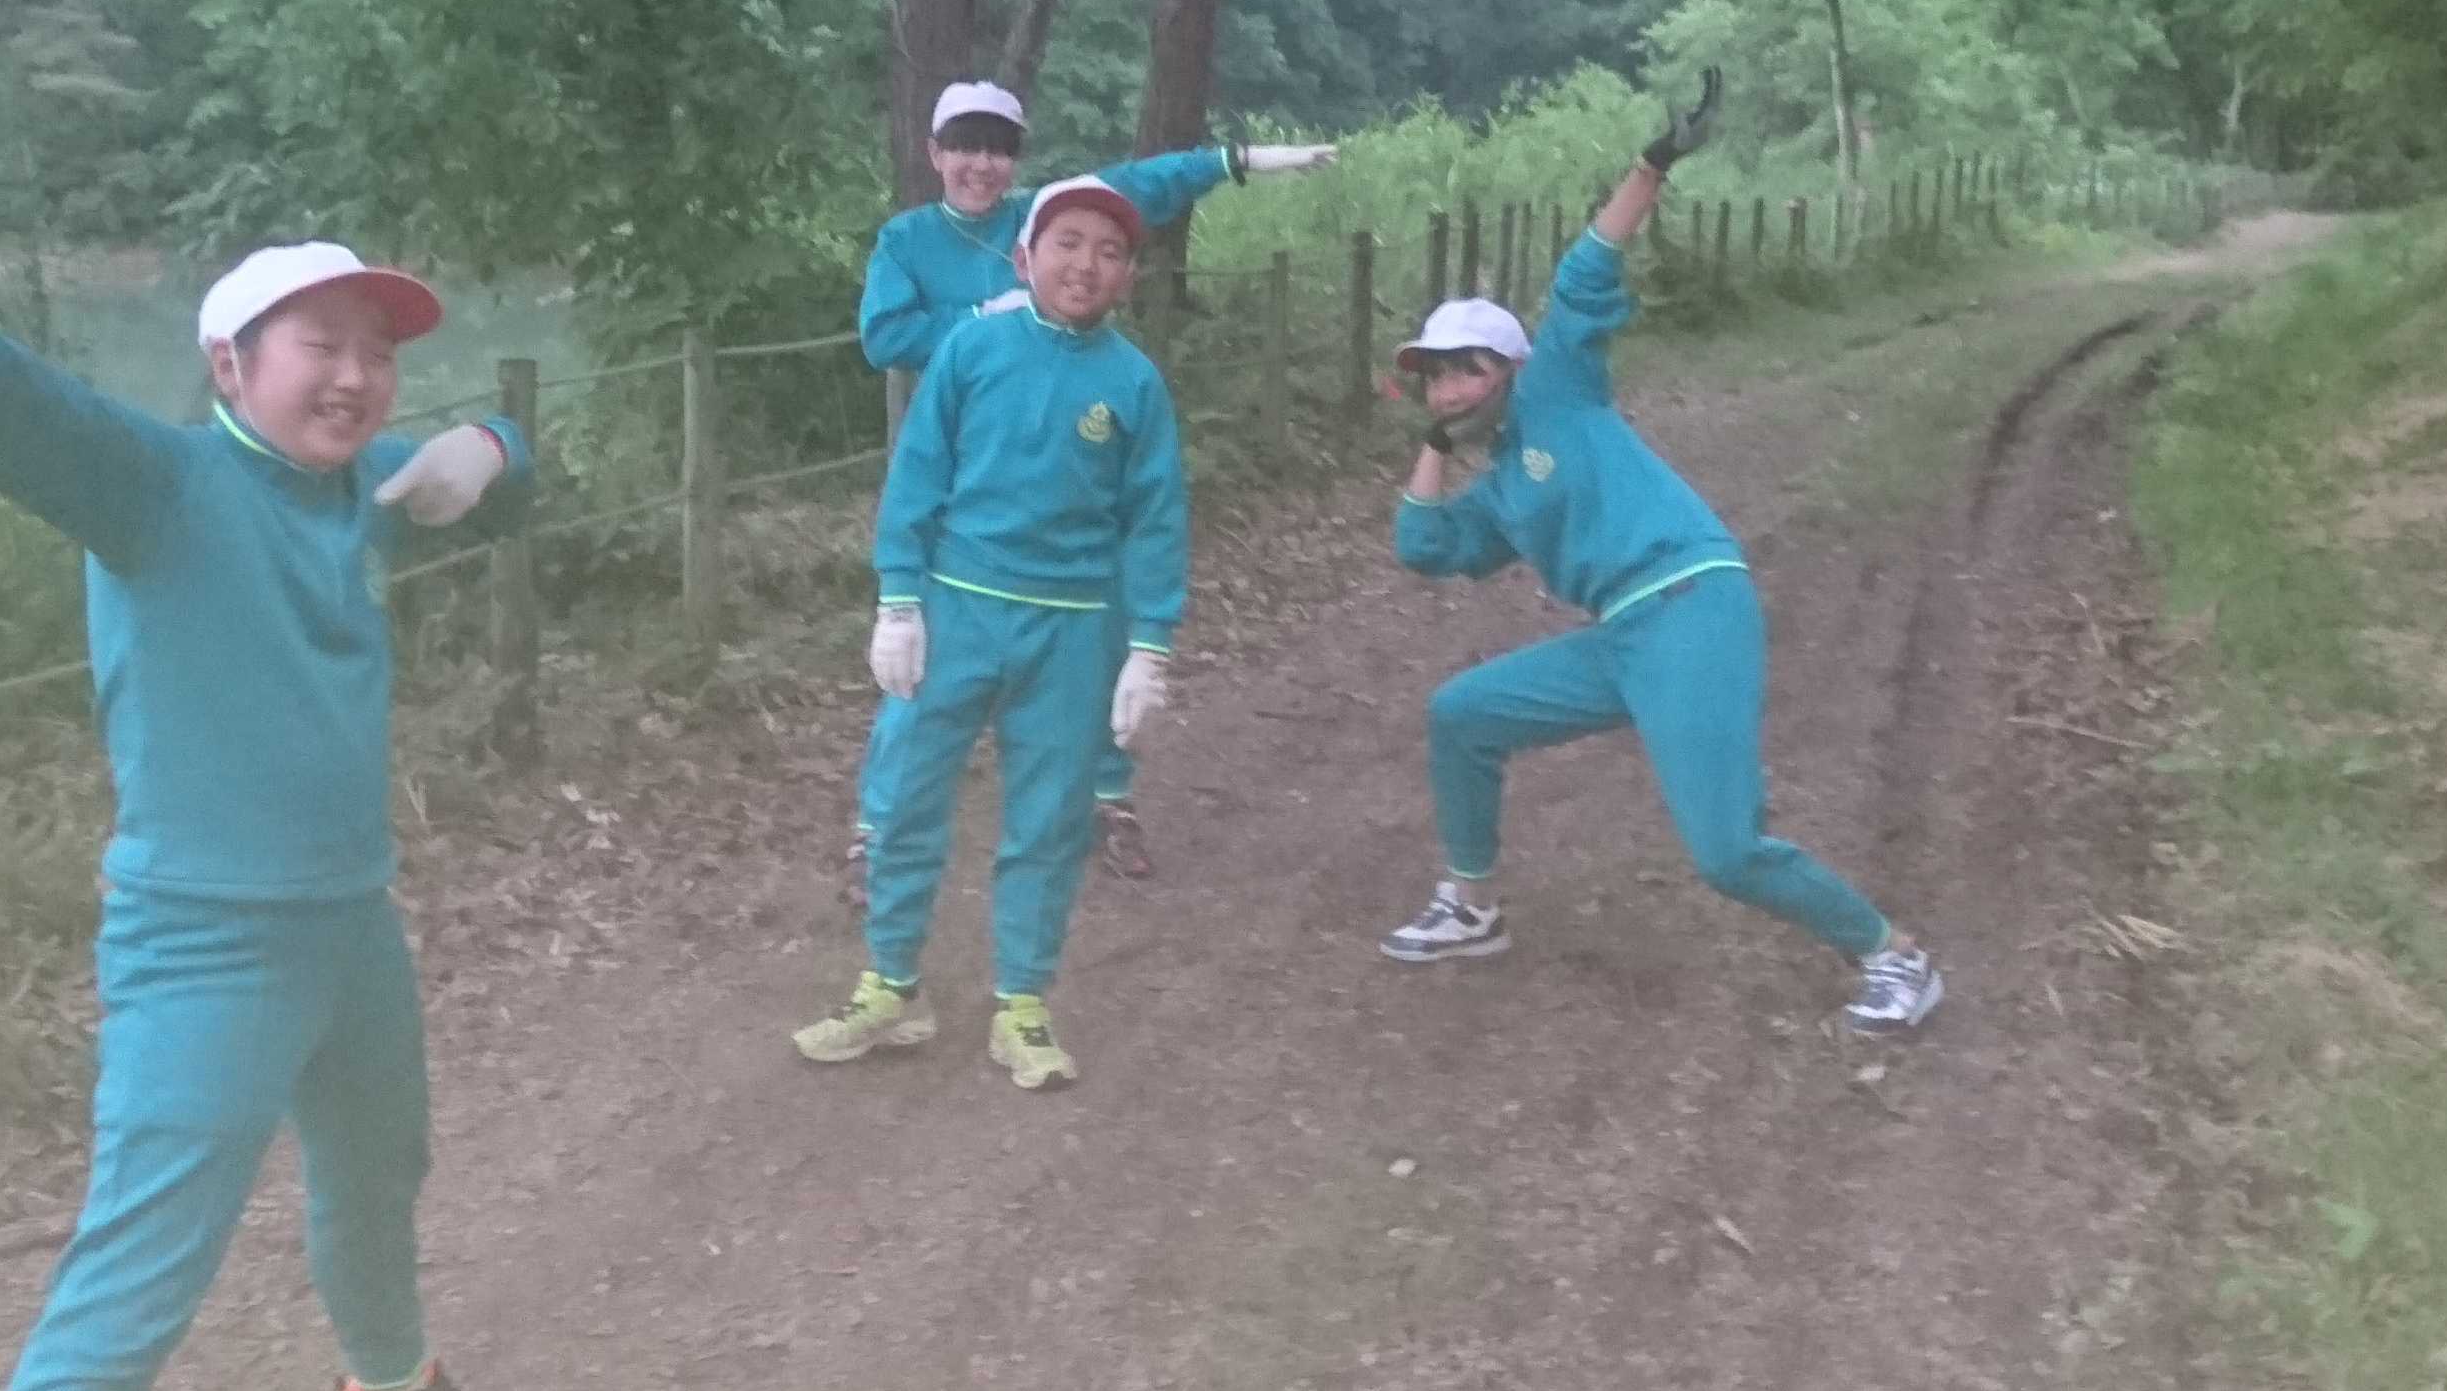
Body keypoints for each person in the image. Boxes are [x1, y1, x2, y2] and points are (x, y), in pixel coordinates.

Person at [0, 244, 529, 1391]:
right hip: (207, 944)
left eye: (377, 354)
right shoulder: (161, 487)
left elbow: (511, 477)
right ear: (229, 366)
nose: (355, 376)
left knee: (380, 1175)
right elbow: (39, 419)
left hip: (353, 925)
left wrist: (488, 448)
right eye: (321, 346)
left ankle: (390, 1388)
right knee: (142, 1273)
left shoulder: (365, 487)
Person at [1375, 73, 1946, 1037]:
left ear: (1509, 368)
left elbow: (1587, 271)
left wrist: (1653, 162)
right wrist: (1434, 445)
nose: (1448, 388)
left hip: (1689, 602)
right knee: (1462, 715)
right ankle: (1470, 908)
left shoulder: (1558, 388)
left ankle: (1896, 957)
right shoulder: (1501, 487)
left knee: (1726, 854)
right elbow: (1421, 546)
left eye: (1464, 370)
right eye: (1432, 378)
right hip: (1622, 637)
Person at [850, 79, 1330, 892]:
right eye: (965, 146)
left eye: (999, 148)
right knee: (922, 659)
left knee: (1099, 627)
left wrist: (1241, 159)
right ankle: (880, 829)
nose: (981, 165)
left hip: (1073, 466)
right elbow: (884, 335)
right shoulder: (908, 240)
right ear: (935, 153)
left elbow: (1147, 183)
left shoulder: (1048, 216)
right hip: (969, 477)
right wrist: (983, 318)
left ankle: (1107, 795)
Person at [799, 176, 1189, 1090]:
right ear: (1025, 256)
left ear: (1129, 277)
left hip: (1074, 629)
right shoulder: (971, 351)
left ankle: (1023, 1005)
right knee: (903, 798)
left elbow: (1156, 520)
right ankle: (892, 985)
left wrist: (1149, 646)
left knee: (1049, 821)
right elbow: (918, 476)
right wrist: (898, 601)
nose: (1085, 265)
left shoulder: (1134, 383)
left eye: (1109, 251)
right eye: (1067, 243)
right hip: (955, 612)